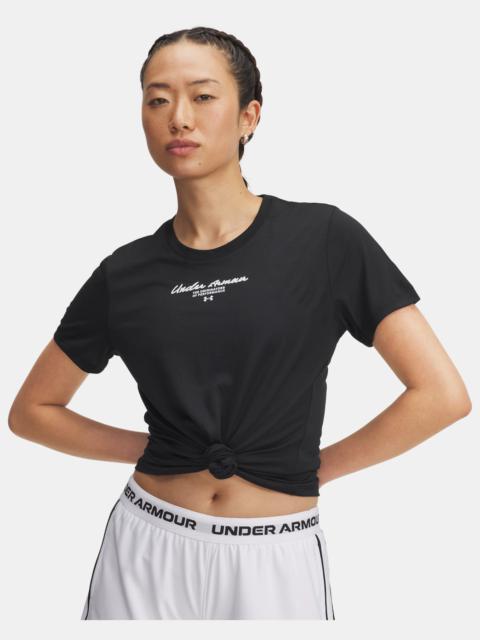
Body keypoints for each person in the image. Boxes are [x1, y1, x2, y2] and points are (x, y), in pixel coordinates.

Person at [8, 26, 471, 621]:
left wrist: (316, 466)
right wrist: (149, 448)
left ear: (249, 116)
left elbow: (441, 395)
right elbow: (32, 411)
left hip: (274, 556)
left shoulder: (325, 239)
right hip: (146, 548)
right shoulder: (124, 273)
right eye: (157, 99)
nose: (178, 117)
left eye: (203, 96)